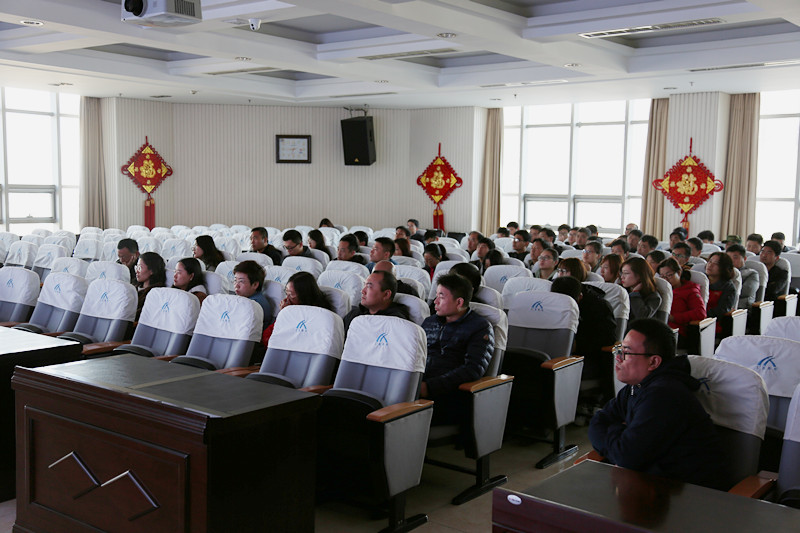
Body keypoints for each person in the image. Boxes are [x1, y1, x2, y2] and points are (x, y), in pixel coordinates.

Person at [588, 319, 727, 490]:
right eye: (619, 350)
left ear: (653, 362)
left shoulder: (665, 394)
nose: (618, 358)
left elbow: (626, 457)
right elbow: (597, 422)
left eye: (626, 352)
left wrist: (617, 434)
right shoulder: (635, 387)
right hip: (652, 487)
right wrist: (621, 438)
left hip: (691, 496)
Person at [420, 273, 494, 426]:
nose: (435, 301)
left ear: (459, 302)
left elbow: (473, 369)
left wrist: (430, 387)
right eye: (436, 295)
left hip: (448, 394)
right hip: (419, 384)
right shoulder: (429, 322)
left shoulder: (480, 327)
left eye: (441, 296)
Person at [551, 276, 617, 381]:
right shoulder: (550, 304)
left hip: (587, 358)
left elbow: (608, 339)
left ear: (580, 297)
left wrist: (578, 345)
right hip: (555, 355)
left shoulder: (599, 307)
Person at [262, 271, 333, 346]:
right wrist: (283, 315)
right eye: (286, 293)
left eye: (291, 295)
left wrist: (288, 315)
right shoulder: (290, 307)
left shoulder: (318, 314)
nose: (287, 298)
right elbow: (267, 336)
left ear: (304, 296)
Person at [342, 269, 410, 330]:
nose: (363, 291)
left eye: (369, 286)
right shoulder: (354, 314)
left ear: (386, 294)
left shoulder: (397, 324)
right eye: (364, 285)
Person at [657, 257, 705, 340]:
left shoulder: (690, 290)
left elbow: (700, 313)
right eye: (662, 276)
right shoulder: (659, 290)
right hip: (660, 328)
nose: (665, 279)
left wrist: (674, 318)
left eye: (669, 275)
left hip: (677, 332)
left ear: (679, 273)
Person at [233, 260, 273, 329]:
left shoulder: (255, 305)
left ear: (255, 285)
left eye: (241, 281)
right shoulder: (244, 298)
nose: (236, 285)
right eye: (235, 280)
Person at [620, 257, 661, 321]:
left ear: (639, 275)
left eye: (626, 273)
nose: (622, 277)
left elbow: (642, 316)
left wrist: (635, 294)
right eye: (622, 273)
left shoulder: (654, 297)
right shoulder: (621, 290)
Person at [705, 252, 737, 324]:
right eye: (710, 261)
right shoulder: (700, 280)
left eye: (716, 263)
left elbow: (722, 310)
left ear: (724, 267)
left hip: (713, 322)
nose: (710, 265)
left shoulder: (728, 287)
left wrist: (702, 314)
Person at [133, 252, 166, 320]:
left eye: (140, 268)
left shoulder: (156, 293)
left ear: (152, 271)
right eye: (136, 267)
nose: (137, 271)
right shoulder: (134, 286)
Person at [726, 244, 758, 308]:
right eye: (728, 258)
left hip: (742, 309)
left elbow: (746, 291)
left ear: (745, 258)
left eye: (735, 257)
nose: (731, 261)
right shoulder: (722, 272)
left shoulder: (752, 274)